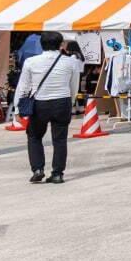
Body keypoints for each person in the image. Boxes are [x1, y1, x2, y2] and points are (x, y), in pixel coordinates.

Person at [16, 31, 83, 184]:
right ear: (60, 45)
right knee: (60, 139)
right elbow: (74, 86)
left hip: (40, 103)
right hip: (62, 101)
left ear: (41, 44)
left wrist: (18, 108)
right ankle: (58, 173)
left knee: (34, 136)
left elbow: (23, 87)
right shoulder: (71, 62)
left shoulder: (31, 62)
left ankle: (38, 169)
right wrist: (71, 102)